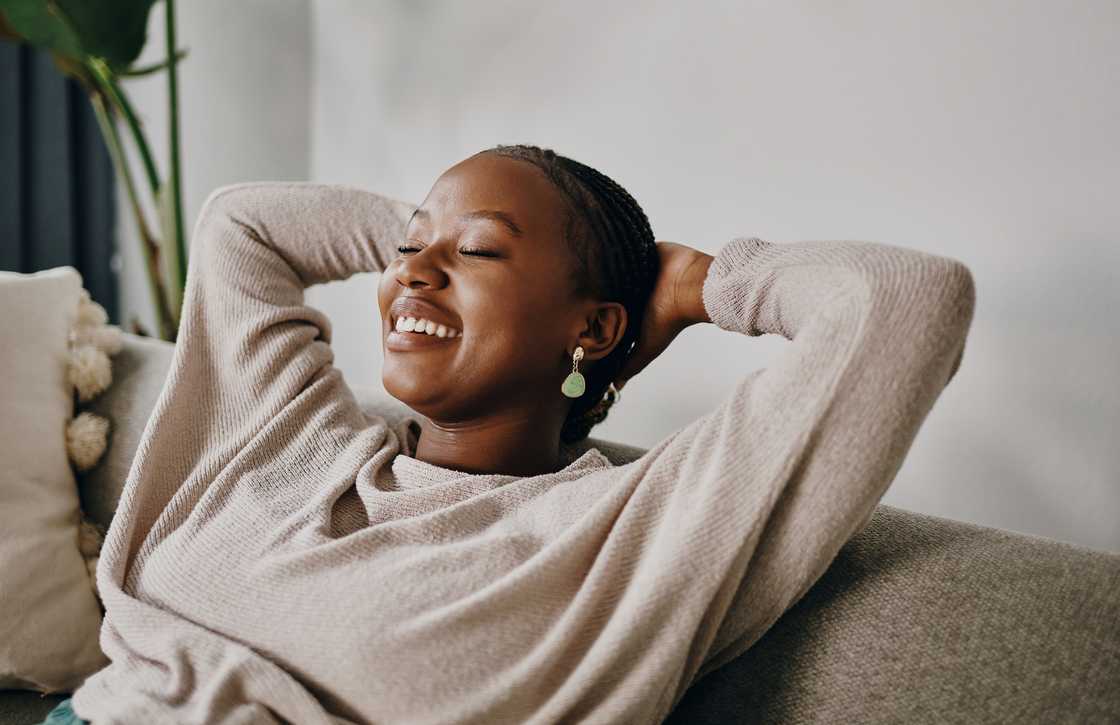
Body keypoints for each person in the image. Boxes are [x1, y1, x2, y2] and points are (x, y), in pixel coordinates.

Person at [64, 144, 975, 724]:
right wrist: (434, 243)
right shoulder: (292, 436)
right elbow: (243, 224)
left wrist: (697, 285)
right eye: (406, 252)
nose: (411, 273)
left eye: (483, 252)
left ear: (597, 327)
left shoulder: (630, 536)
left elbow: (905, 301)